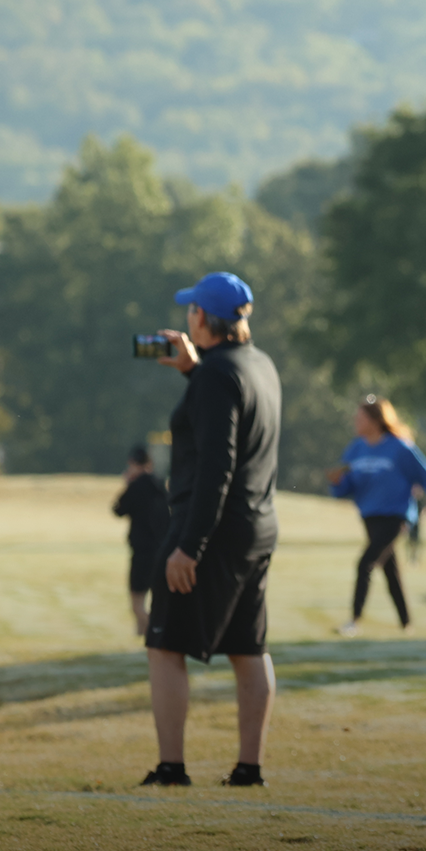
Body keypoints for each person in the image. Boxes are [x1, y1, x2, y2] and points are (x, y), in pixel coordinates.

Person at [142, 271, 282, 788]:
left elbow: (215, 468)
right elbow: (233, 423)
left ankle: (172, 767)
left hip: (212, 530)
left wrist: (188, 547)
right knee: (249, 648)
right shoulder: (259, 365)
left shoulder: (214, 378)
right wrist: (193, 372)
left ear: (201, 318)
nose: (186, 317)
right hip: (257, 526)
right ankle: (249, 768)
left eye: (190, 310)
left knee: (164, 644)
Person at [328, 396, 426, 636]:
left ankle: (353, 622)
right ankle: (407, 624)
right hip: (369, 516)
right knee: (390, 570)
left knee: (365, 563)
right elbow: (345, 487)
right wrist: (338, 482)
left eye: (360, 417)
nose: (355, 421)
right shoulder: (356, 448)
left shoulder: (400, 448)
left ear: (376, 421)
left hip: (396, 517)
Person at [113, 444, 171, 637]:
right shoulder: (160, 484)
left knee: (137, 603)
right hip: (162, 549)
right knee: (156, 600)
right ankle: (141, 639)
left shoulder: (137, 486)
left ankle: (152, 637)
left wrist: (128, 484)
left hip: (141, 551)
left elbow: (118, 510)